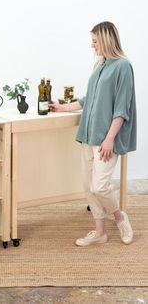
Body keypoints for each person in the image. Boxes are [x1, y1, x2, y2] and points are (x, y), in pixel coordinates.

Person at [49, 21, 137, 247]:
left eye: (95, 41)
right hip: (88, 134)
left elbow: (121, 108)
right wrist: (64, 107)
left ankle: (119, 217)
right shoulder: (100, 66)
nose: (92, 45)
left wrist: (109, 139)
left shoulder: (122, 66)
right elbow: (90, 99)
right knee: (88, 186)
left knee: (100, 186)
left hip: (105, 138)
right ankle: (100, 232)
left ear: (107, 40)